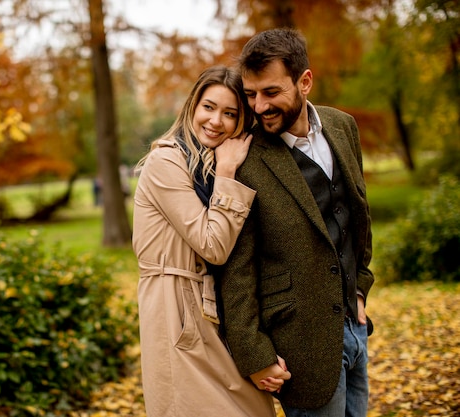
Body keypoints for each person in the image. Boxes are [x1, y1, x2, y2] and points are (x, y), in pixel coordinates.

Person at [218, 28, 375, 417]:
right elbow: (236, 270)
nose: (258, 106)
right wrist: (254, 354)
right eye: (251, 94)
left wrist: (361, 287)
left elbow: (357, 216)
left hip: (354, 326)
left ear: (305, 81)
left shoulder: (343, 126)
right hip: (296, 344)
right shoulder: (247, 159)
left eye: (271, 93)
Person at [132, 65, 290, 417]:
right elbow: (213, 244)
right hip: (173, 305)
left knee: (253, 409)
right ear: (192, 106)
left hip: (209, 305)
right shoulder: (167, 161)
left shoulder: (206, 165)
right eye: (209, 107)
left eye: (229, 113)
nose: (216, 121)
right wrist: (228, 173)